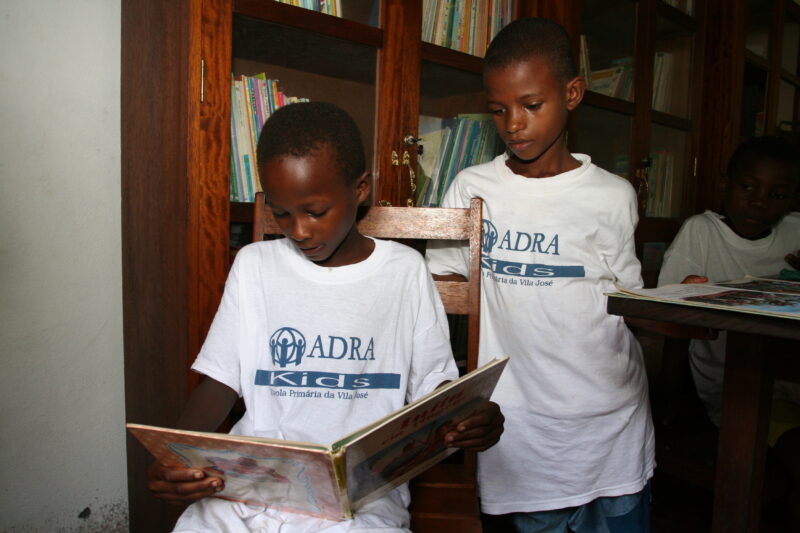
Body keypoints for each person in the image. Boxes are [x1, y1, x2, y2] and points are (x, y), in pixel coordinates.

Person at [147, 101, 504, 533]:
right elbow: (221, 380)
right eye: (281, 213)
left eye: (315, 212)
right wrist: (176, 455)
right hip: (249, 490)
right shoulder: (254, 265)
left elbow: (436, 388)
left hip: (359, 501)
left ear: (359, 189)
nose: (298, 231)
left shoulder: (404, 271)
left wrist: (473, 417)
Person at [426, 17, 654, 533]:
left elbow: (627, 302)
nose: (513, 123)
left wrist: (680, 305)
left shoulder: (612, 196)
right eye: (499, 109)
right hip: (513, 429)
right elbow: (437, 295)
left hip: (608, 422)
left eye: (531, 105)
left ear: (572, 93)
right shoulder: (472, 188)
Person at [658, 135, 800, 530]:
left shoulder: (795, 232)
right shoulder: (702, 232)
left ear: (791, 201)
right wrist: (670, 402)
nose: (758, 202)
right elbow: (672, 321)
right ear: (726, 185)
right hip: (742, 391)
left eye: (778, 194)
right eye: (748, 187)